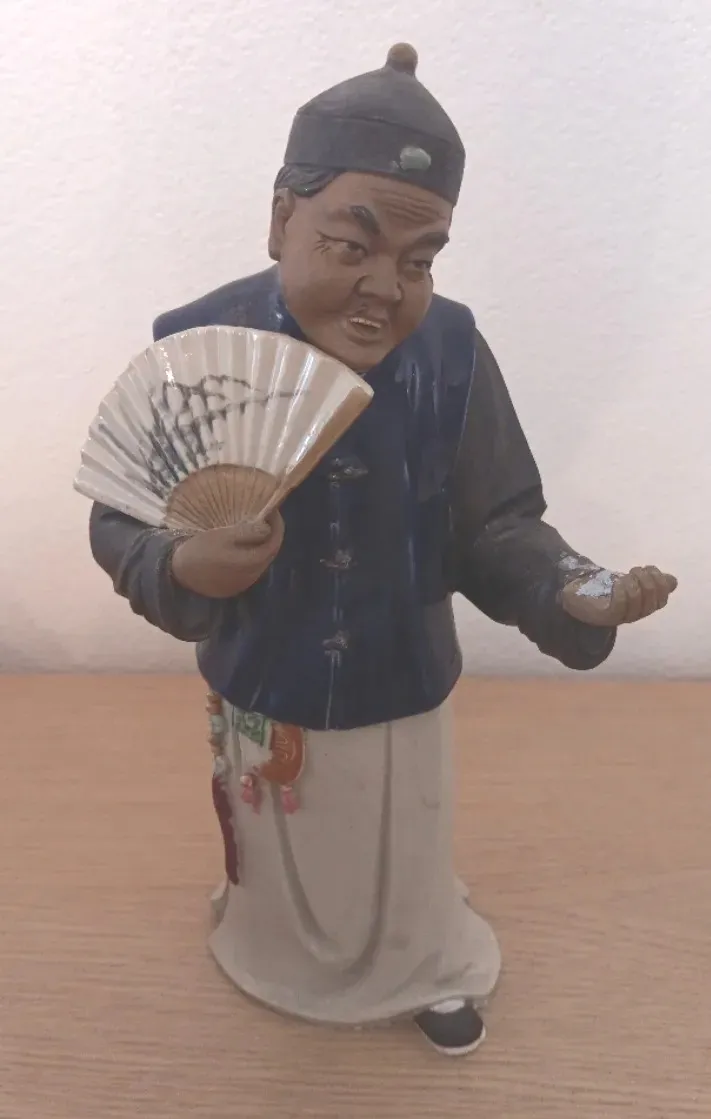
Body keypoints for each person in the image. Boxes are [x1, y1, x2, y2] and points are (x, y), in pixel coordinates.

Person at [88, 43, 677, 1056]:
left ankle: (423, 963)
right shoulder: (198, 344)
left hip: (401, 667)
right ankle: (266, 942)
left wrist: (568, 588)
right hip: (265, 666)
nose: (383, 288)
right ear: (282, 217)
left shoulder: (450, 351)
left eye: (418, 262)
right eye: (350, 245)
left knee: (404, 839)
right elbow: (120, 517)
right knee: (278, 837)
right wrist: (182, 568)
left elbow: (496, 522)